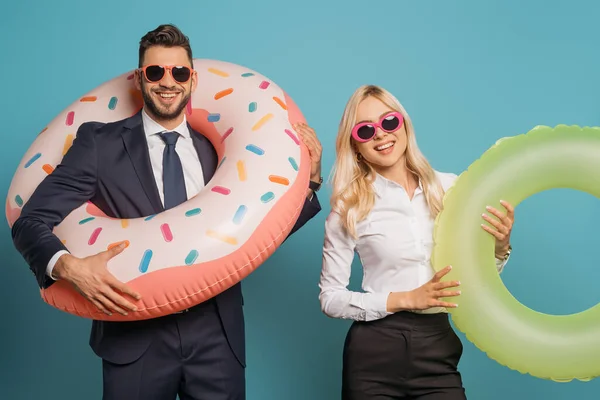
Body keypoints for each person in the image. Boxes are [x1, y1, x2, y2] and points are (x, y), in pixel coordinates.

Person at [12, 24, 323, 400]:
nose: (167, 82)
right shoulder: (99, 144)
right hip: (134, 339)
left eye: (178, 72)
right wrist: (66, 266)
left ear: (192, 80)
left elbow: (247, 231)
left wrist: (308, 182)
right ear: (140, 78)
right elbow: (29, 220)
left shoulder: (222, 150)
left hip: (216, 338)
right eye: (155, 72)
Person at [318, 84, 515, 399]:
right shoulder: (348, 208)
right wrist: (404, 299)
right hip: (374, 353)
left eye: (389, 122)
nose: (381, 135)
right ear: (355, 145)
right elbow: (330, 298)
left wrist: (500, 246)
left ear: (404, 124)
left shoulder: (452, 189)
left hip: (437, 344)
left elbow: (475, 282)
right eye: (365, 130)